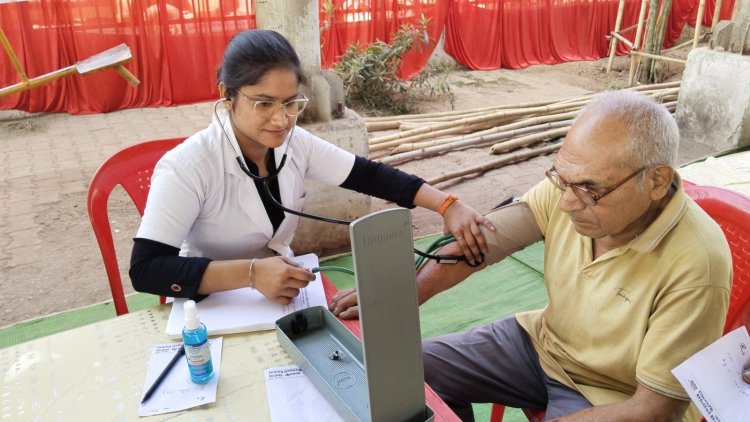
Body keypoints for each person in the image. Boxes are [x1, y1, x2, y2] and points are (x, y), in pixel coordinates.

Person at [331, 90, 733, 420]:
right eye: (562, 180)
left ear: (657, 181)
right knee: (406, 375)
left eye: (590, 189)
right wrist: (401, 298)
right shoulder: (571, 191)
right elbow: (480, 244)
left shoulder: (698, 262)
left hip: (611, 394)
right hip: (542, 343)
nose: (566, 204)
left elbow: (655, 409)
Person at [129, 29, 493, 305]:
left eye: (290, 103)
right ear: (227, 95)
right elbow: (146, 269)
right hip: (214, 305)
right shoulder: (187, 167)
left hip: (286, 294)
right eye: (263, 104)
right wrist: (251, 274)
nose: (281, 120)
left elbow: (368, 175)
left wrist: (447, 204)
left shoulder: (293, 143)